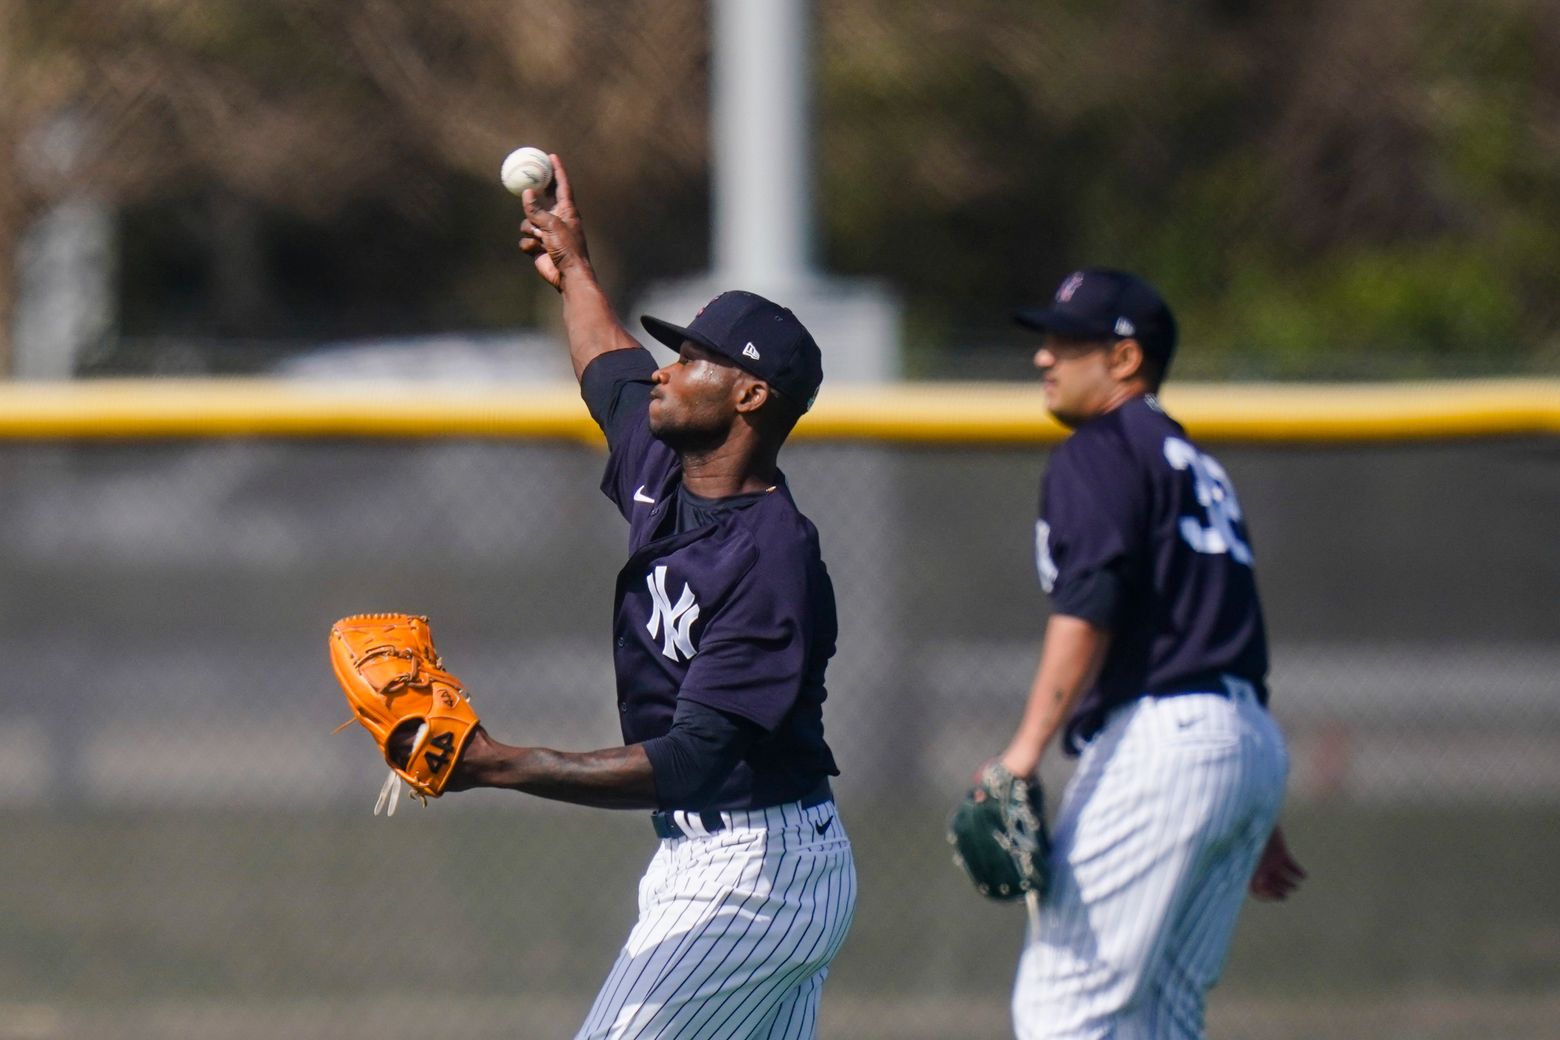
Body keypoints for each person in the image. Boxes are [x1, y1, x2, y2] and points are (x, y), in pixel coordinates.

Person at [412, 153, 856, 1040]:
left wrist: (495, 763)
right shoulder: (666, 470)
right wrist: (573, 266)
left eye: (691, 359)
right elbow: (606, 364)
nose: (664, 370)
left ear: (750, 394)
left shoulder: (774, 558)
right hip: (717, 858)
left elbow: (694, 759)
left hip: (753, 872)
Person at [990, 269, 1306, 1039]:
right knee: (1163, 1014)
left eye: (1068, 341)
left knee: (1064, 1008)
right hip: (1244, 743)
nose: (1045, 358)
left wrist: (1023, 753)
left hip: (1163, 742)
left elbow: (1090, 598)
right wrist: (1249, 805)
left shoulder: (1100, 449)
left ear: (1125, 359)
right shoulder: (1193, 464)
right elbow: (1223, 626)